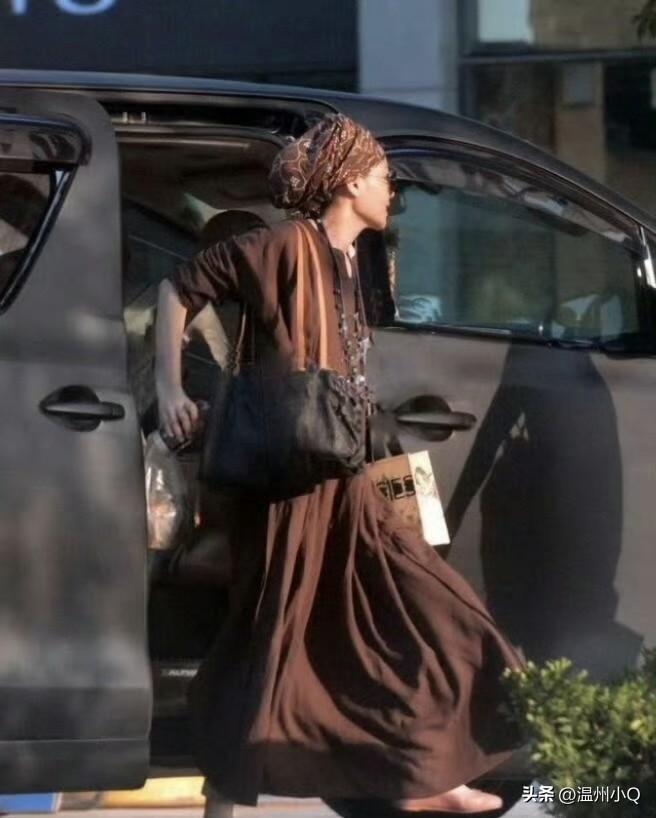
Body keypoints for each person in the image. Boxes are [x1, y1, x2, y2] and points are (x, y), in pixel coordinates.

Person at [155, 114, 526, 816]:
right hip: (292, 486)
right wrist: (170, 389)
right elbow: (178, 289)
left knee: (427, 606)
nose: (391, 191)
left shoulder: (358, 261)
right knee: (275, 643)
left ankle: (425, 777)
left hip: (350, 475)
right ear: (351, 182)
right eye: (384, 178)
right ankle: (236, 795)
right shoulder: (281, 245)